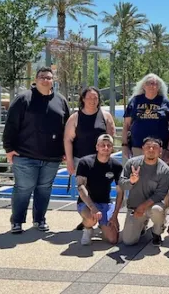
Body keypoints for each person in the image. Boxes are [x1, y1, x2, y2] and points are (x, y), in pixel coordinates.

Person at [3, 67, 70, 234]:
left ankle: (39, 219)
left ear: (53, 80)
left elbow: (68, 128)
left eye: (48, 77)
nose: (45, 80)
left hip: (52, 157)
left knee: (44, 189)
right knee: (23, 188)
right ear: (36, 79)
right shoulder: (24, 99)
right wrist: (9, 148)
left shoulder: (61, 101)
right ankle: (17, 221)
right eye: (42, 77)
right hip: (25, 155)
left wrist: (66, 151)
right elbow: (11, 124)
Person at [64, 86, 116, 231]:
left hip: (101, 162)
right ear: (83, 99)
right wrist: (69, 161)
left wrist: (108, 159)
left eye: (95, 98)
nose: (92, 100)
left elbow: (111, 138)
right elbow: (68, 139)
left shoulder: (106, 116)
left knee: (99, 189)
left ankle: (97, 217)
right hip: (81, 161)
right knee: (84, 191)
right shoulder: (75, 117)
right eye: (89, 98)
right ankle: (87, 219)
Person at [119, 137, 169, 246]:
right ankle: (142, 224)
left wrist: (143, 206)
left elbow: (161, 193)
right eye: (148, 147)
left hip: (152, 205)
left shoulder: (165, 170)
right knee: (128, 241)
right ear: (143, 148)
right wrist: (131, 181)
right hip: (134, 207)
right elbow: (122, 184)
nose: (151, 149)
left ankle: (156, 232)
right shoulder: (132, 163)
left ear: (160, 150)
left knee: (157, 210)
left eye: (155, 147)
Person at [76, 134, 123, 245]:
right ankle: (88, 229)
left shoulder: (117, 166)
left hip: (105, 203)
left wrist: (115, 215)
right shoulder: (85, 162)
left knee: (113, 239)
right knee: (91, 219)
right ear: (97, 147)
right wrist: (93, 208)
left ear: (112, 148)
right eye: (102, 145)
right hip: (86, 203)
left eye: (109, 145)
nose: (106, 148)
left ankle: (103, 225)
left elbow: (120, 191)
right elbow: (81, 187)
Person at [121, 74, 169, 166]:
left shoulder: (165, 102)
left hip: (160, 149)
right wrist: (125, 146)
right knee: (136, 178)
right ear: (143, 86)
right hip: (138, 148)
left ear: (159, 87)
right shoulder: (135, 101)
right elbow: (126, 125)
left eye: (155, 84)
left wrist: (168, 150)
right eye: (149, 83)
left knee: (161, 178)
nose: (152, 86)